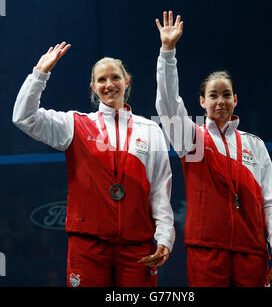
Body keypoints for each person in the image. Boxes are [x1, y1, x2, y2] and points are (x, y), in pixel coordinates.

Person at [13, 42, 175, 287]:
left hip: (136, 246)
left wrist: (165, 236)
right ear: (93, 87)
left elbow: (160, 189)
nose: (109, 85)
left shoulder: (150, 130)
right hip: (88, 245)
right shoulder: (74, 125)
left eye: (114, 78)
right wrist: (39, 74)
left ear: (126, 81)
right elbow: (23, 117)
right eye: (101, 80)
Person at [155, 11, 272, 287]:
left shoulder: (255, 144)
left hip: (251, 251)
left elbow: (270, 201)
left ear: (236, 100)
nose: (220, 101)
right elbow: (168, 106)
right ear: (202, 102)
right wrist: (168, 53)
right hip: (207, 251)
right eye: (213, 96)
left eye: (226, 95)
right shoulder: (191, 141)